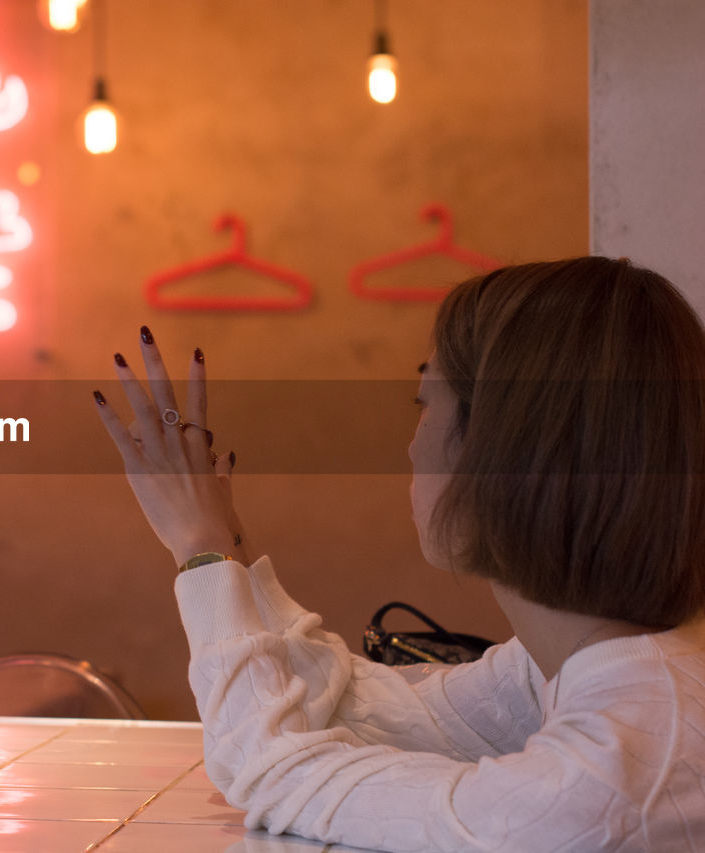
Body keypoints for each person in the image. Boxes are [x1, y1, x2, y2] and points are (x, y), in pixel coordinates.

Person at [93, 257, 705, 851]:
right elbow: (364, 710)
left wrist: (199, 553)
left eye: (423, 404)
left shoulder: (605, 781)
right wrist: (226, 542)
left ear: (499, 445)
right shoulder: (600, 668)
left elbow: (282, 777)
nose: (411, 449)